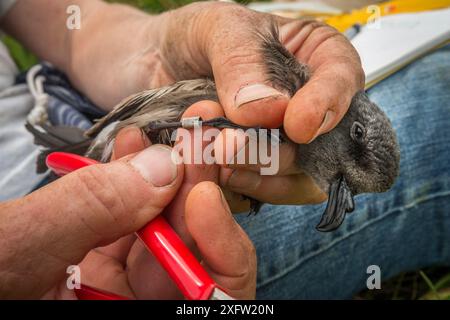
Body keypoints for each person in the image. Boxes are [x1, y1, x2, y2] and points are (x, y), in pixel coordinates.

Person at [0, 0, 449, 299]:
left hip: (66, 114)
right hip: (71, 218)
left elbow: (70, 25)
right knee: (439, 99)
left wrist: (158, 47)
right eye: (346, 179)